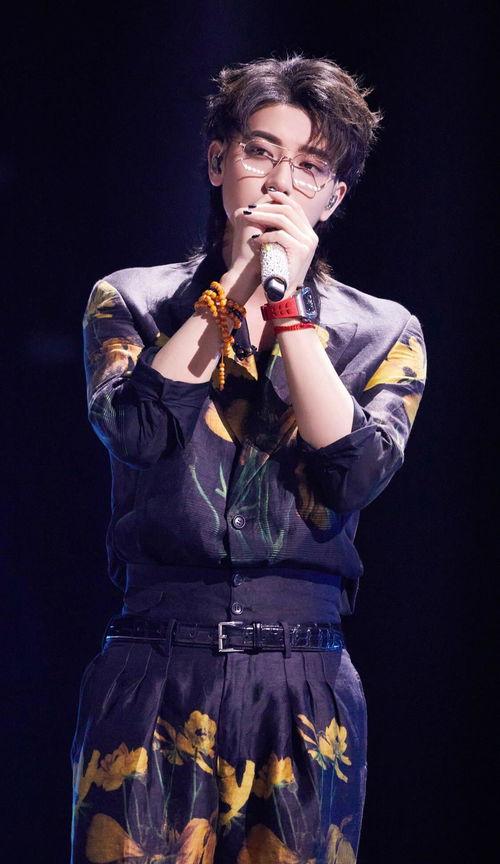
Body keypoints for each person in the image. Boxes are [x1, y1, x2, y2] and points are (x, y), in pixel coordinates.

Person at [70, 53, 427, 863]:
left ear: (333, 199)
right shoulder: (131, 300)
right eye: (260, 152)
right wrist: (230, 291)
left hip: (302, 681)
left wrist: (287, 310)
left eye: (310, 167)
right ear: (216, 161)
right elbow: (136, 432)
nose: (279, 182)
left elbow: (354, 474)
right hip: (153, 664)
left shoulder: (383, 331)